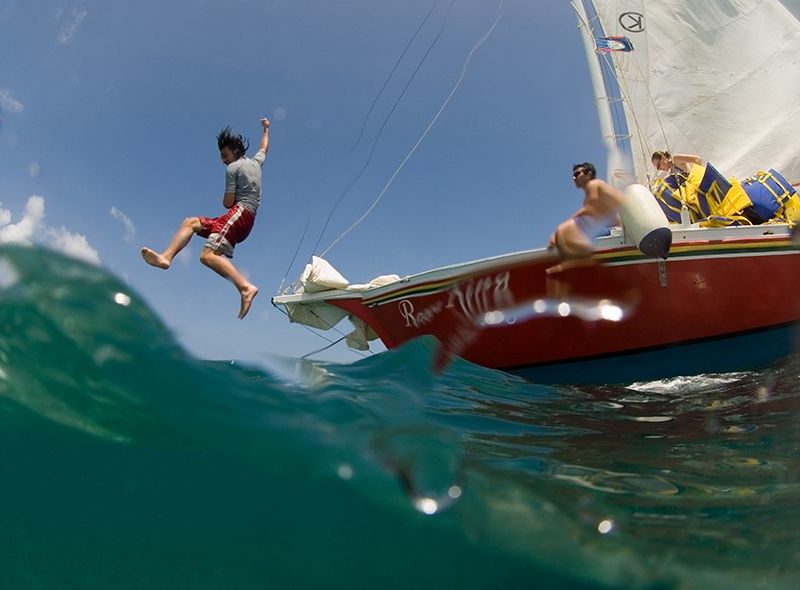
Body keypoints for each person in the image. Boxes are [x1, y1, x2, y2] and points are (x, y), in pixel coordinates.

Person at [141, 118, 271, 319]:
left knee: (208, 255)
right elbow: (264, 148)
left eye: (225, 155)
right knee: (190, 223)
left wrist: (230, 191)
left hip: (239, 214)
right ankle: (166, 258)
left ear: (235, 152)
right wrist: (266, 129)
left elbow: (227, 203)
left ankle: (245, 287)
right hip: (242, 218)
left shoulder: (233, 169)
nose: (223, 160)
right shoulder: (256, 162)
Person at [546, 162, 623, 274]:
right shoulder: (592, 193)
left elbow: (589, 208)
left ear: (588, 174)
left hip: (618, 231)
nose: (574, 178)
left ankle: (573, 266)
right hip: (613, 232)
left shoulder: (595, 185)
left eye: (577, 174)